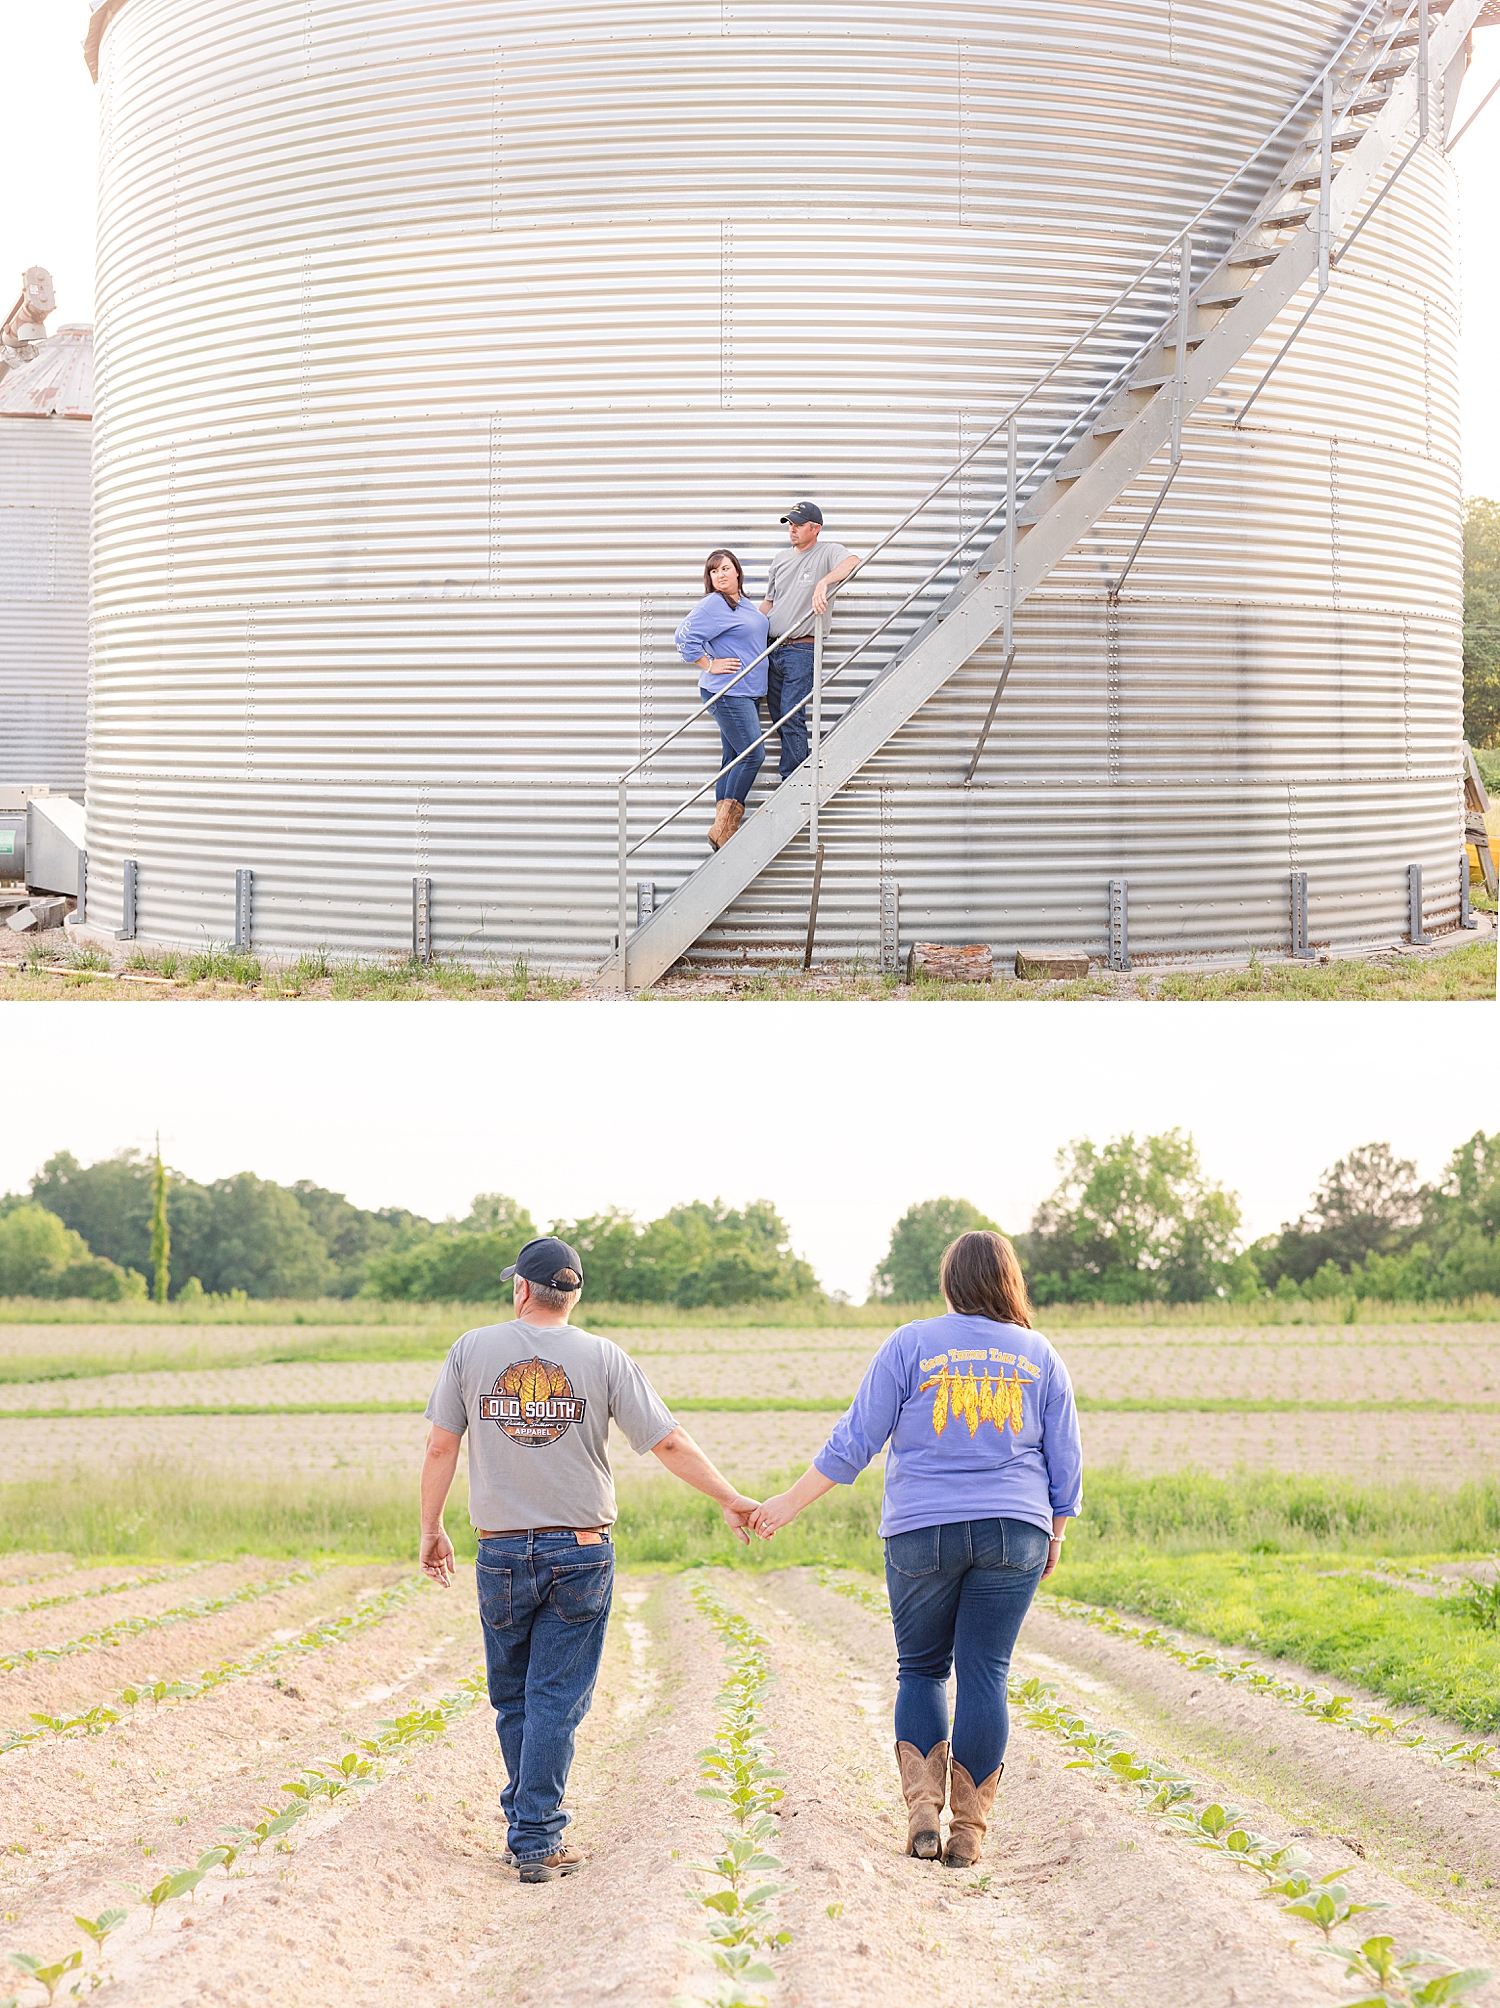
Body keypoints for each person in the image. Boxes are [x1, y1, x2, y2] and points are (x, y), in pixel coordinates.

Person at [419, 1235, 761, 1883]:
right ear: (574, 1295)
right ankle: (537, 1836)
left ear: (522, 1288)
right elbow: (668, 1442)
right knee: (555, 1698)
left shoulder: (470, 1350)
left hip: (498, 1551)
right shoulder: (605, 1358)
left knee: (515, 1697)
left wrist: (431, 1528)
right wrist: (731, 1496)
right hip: (579, 1551)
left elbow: (441, 1449)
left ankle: (528, 1825)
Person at [748, 1230, 1082, 1870]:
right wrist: (1056, 1534)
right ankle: (970, 1832)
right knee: (986, 1671)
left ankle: (924, 1810)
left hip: (920, 1532)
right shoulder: (1040, 1355)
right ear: (1010, 1281)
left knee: (922, 1669)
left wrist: (784, 1505)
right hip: (1016, 1529)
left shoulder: (910, 1344)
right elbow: (1065, 1462)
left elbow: (854, 1441)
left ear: (950, 1282)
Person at [675, 548, 771, 851]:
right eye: (714, 571)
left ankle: (720, 830)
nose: (720, 575)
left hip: (746, 692)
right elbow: (682, 637)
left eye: (725, 569)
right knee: (753, 754)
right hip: (726, 691)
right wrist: (708, 664)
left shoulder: (742, 605)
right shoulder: (713, 604)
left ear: (737, 572)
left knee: (733, 759)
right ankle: (725, 828)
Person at [759, 503, 861, 780]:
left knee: (792, 713)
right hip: (772, 648)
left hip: (802, 649)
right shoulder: (780, 558)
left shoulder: (827, 551)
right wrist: (748, 631)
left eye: (798, 524)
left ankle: (794, 778)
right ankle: (796, 772)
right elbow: (770, 602)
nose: (792, 529)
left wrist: (823, 583)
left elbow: (853, 562)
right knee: (779, 717)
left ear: (815, 528)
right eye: (789, 524)